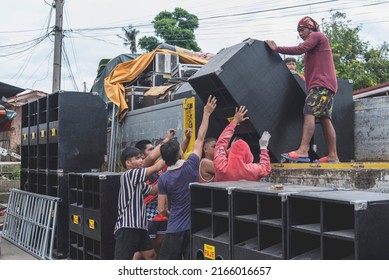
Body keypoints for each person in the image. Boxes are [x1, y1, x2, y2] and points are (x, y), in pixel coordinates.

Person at [265, 16, 339, 163]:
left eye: (302, 29)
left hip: (321, 84)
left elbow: (299, 49)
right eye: (298, 31)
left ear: (311, 28)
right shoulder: (315, 44)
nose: (300, 33)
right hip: (325, 85)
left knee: (309, 111)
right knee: (324, 118)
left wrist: (276, 48)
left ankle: (303, 150)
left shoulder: (316, 35)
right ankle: (333, 155)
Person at [157, 95, 217, 260]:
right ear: (180, 153)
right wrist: (206, 113)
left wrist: (172, 214)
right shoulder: (191, 165)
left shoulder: (164, 178)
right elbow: (201, 138)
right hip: (194, 227)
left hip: (174, 229)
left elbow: (161, 209)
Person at [132, 128, 192, 259]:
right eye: (150, 149)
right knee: (147, 253)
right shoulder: (142, 168)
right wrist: (167, 140)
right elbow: (154, 155)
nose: (154, 150)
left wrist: (187, 139)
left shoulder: (161, 163)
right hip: (148, 216)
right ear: (142, 155)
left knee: (158, 252)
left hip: (161, 216)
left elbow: (175, 154)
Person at [113, 145, 166, 260]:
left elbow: (152, 191)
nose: (142, 160)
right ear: (128, 163)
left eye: (141, 158)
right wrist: (169, 156)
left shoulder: (138, 181)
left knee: (151, 255)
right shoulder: (130, 174)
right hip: (128, 228)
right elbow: (156, 167)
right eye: (137, 158)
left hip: (140, 227)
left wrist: (165, 178)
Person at [214, 106, 272, 182]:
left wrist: (234, 121)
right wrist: (263, 147)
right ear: (247, 154)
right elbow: (265, 168)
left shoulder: (221, 166)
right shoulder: (252, 171)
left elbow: (221, 143)